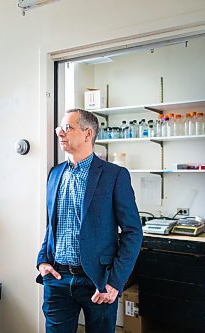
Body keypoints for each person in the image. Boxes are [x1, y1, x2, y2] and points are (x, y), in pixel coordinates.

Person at [36, 109, 143, 333]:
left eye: (68, 128)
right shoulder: (55, 173)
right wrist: (42, 261)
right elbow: (53, 225)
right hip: (57, 279)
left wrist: (115, 281)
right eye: (60, 129)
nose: (60, 134)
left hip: (98, 280)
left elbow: (133, 231)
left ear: (88, 134)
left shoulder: (115, 175)